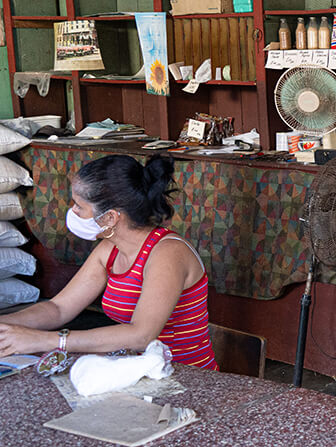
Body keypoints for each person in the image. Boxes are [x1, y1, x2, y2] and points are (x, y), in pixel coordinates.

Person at [0, 155, 217, 369]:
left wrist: (44, 340)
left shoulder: (168, 253)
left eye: (79, 206)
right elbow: (58, 308)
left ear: (111, 217)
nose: (72, 212)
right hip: (136, 370)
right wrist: (5, 327)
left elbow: (141, 335)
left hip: (185, 376)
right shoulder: (110, 249)